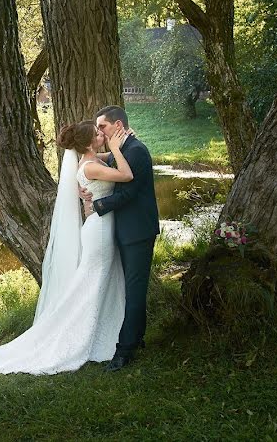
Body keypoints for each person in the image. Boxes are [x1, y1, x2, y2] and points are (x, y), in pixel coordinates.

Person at [0, 120, 134, 374]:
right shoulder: (91, 167)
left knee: (100, 280)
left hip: (99, 225)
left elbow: (108, 156)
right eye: (97, 133)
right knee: (93, 282)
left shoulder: (90, 160)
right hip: (101, 229)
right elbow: (126, 175)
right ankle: (73, 335)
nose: (101, 134)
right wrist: (116, 149)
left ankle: (106, 330)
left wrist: (120, 143)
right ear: (86, 144)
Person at [82, 105, 160, 372]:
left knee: (134, 291)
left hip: (137, 232)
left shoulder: (136, 152)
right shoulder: (123, 148)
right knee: (129, 289)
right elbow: (101, 158)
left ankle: (124, 350)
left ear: (117, 125)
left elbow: (127, 194)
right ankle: (135, 338)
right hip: (124, 231)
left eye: (102, 126)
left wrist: (98, 206)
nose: (99, 132)